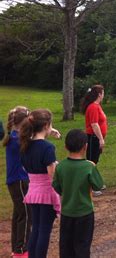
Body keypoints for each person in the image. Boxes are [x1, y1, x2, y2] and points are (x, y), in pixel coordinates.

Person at [52, 129, 104, 258]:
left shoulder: (60, 167)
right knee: (82, 246)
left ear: (65, 147)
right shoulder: (89, 166)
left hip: (67, 213)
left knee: (66, 246)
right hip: (85, 213)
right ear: (85, 147)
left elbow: (57, 187)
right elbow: (98, 185)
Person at [19, 109, 61, 258]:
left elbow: (26, 167)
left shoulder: (25, 145)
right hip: (46, 194)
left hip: (32, 192)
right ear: (46, 125)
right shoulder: (48, 147)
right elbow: (52, 176)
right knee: (44, 230)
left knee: (35, 228)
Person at [3, 106, 31, 257]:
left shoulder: (13, 136)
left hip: (16, 182)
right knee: (26, 215)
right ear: (23, 122)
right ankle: (21, 250)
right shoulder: (17, 140)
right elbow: (33, 144)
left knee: (19, 214)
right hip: (20, 182)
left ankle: (17, 248)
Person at [81, 85, 107, 196]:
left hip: (96, 138)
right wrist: (100, 139)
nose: (104, 95)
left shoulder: (97, 106)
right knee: (91, 162)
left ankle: (97, 183)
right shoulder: (93, 107)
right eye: (103, 93)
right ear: (99, 94)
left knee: (94, 161)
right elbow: (94, 124)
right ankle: (91, 187)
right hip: (93, 138)